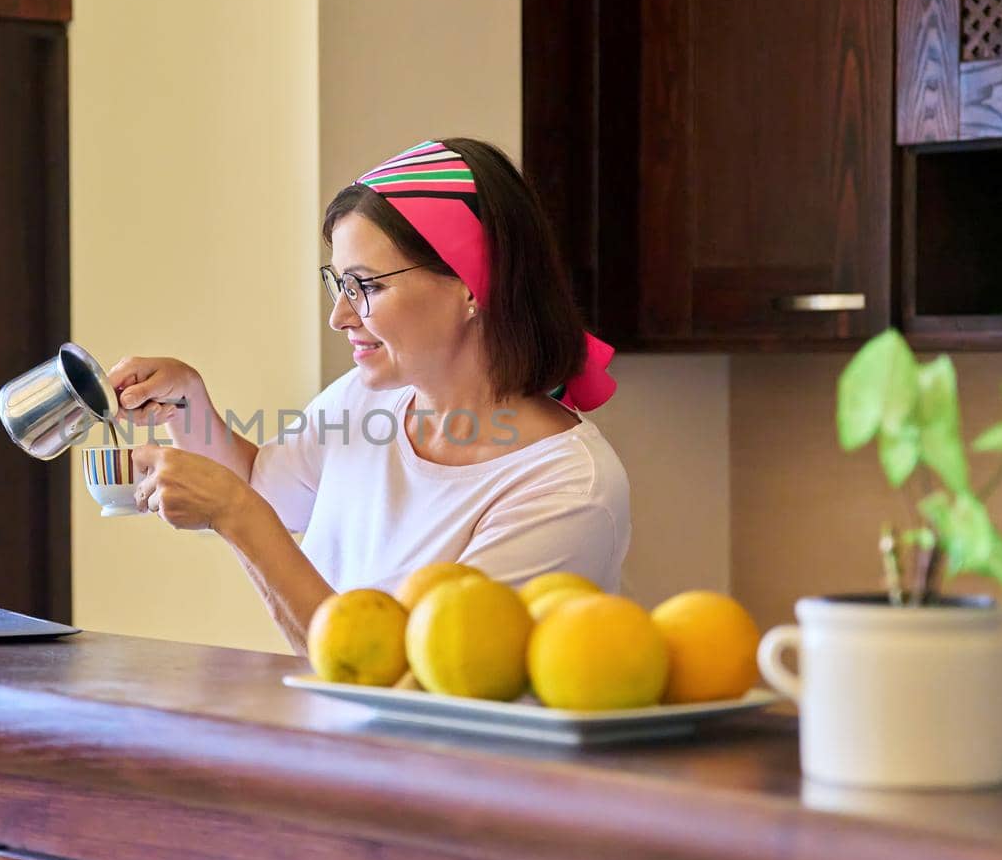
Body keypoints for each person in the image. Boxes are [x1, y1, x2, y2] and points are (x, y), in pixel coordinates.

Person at [108, 138, 629, 654]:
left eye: (367, 287)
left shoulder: (565, 488)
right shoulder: (364, 401)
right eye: (338, 284)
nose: (340, 316)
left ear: (472, 286)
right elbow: (265, 489)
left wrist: (235, 514)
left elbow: (400, 676)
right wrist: (187, 406)